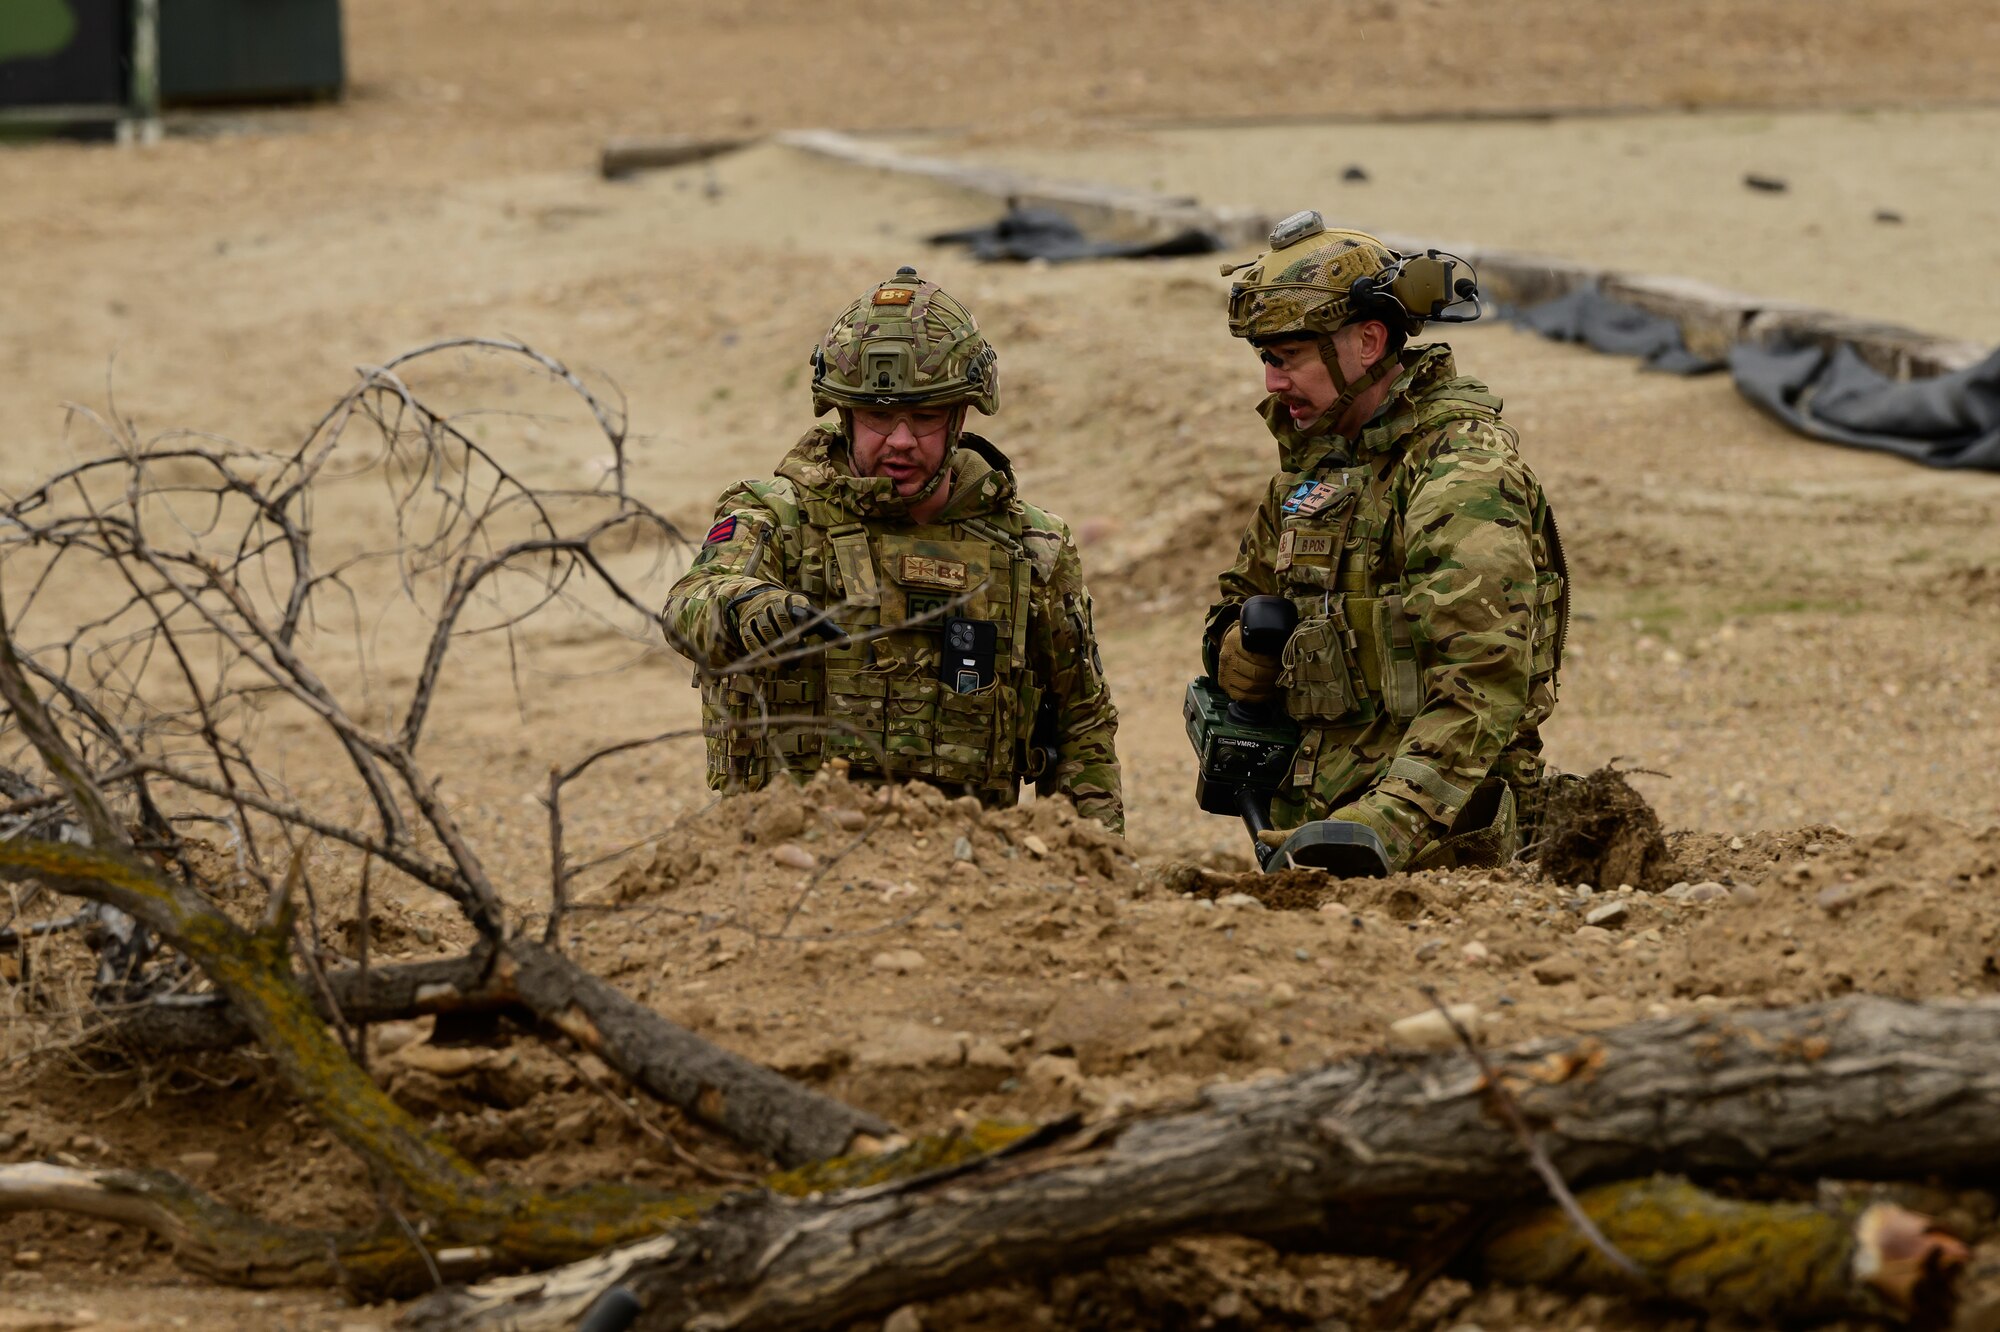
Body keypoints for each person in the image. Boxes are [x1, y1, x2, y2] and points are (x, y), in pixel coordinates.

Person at [662, 267, 1123, 834]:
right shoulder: (778, 515)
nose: (901, 440)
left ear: (959, 418)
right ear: (845, 414)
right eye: (879, 415)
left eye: (925, 416)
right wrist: (752, 609)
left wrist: (1095, 861)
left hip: (966, 865)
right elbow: (690, 607)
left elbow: (1082, 725)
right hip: (789, 852)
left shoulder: (1031, 547)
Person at [1203, 211, 1567, 870]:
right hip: (1311, 844)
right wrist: (1233, 646)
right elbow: (1239, 601)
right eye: (1264, 359)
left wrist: (1382, 827)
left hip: (1448, 856)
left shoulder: (1460, 471)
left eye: (1286, 358)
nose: (1271, 383)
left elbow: (1484, 685)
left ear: (1368, 343)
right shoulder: (1314, 467)